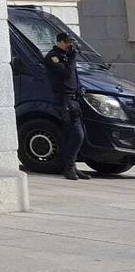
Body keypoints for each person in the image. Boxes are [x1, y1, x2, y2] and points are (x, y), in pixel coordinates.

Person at [46, 30, 87, 181]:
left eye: (71, 42)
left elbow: (74, 76)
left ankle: (73, 166)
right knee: (77, 134)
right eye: (67, 42)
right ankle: (68, 167)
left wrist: (80, 88)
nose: (70, 45)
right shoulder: (53, 57)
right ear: (60, 42)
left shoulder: (67, 57)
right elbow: (66, 74)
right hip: (64, 100)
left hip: (74, 99)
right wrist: (72, 58)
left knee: (75, 134)